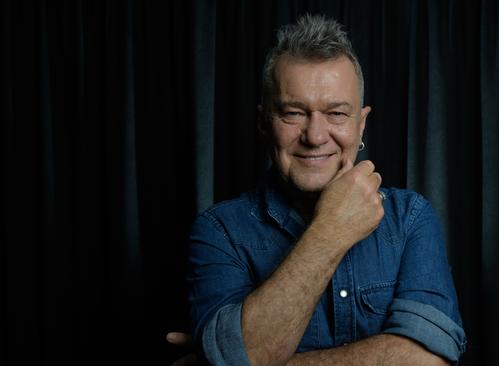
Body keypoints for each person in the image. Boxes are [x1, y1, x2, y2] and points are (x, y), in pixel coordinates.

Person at [173, 14, 466, 366]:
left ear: (361, 125)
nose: (314, 136)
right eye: (293, 113)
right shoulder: (219, 231)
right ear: (264, 122)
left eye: (337, 114)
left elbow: (431, 360)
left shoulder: (410, 219)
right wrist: (331, 230)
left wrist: (223, 358)